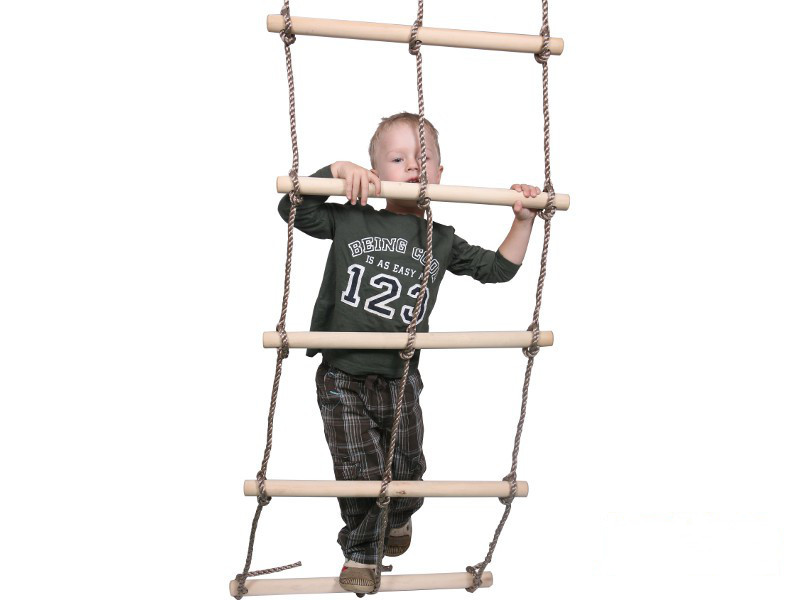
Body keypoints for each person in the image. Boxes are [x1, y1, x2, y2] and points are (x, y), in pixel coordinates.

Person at [278, 112, 540, 594]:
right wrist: (336, 172)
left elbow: (498, 269)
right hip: (342, 375)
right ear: (375, 173)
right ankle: (361, 552)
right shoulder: (352, 217)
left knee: (407, 470)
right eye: (398, 159)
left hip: (400, 379)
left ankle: (397, 515)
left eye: (425, 158)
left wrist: (522, 221)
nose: (414, 166)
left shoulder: (441, 240)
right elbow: (292, 208)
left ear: (440, 173)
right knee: (359, 470)